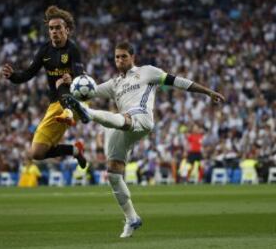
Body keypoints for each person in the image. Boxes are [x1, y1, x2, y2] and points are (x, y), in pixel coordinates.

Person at [63, 41, 225, 238]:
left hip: (142, 119)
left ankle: (89, 113)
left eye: (124, 56)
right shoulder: (114, 84)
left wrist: (207, 91)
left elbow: (178, 81)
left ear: (133, 57)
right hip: (123, 126)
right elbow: (86, 91)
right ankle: (132, 218)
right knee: (113, 174)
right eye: (116, 57)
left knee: (120, 119)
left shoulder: (147, 72)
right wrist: (67, 84)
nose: (120, 60)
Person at [1, 5, 86, 168]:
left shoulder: (73, 49)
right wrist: (12, 76)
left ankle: (70, 111)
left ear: (66, 30)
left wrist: (72, 77)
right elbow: (27, 74)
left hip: (74, 99)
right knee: (37, 153)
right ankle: (74, 151)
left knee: (60, 81)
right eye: (51, 28)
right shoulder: (45, 50)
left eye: (58, 28)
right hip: (56, 104)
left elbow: (80, 73)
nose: (54, 31)